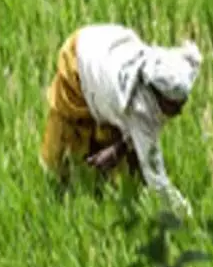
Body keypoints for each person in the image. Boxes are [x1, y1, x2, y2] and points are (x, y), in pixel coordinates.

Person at [39, 22, 202, 216]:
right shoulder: (139, 108)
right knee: (69, 141)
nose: (179, 113)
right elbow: (157, 179)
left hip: (108, 48)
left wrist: (119, 148)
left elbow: (140, 126)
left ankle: (105, 188)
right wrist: (187, 215)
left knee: (124, 157)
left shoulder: (172, 67)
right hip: (79, 57)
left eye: (182, 104)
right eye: (173, 107)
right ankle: (58, 192)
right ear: (157, 95)